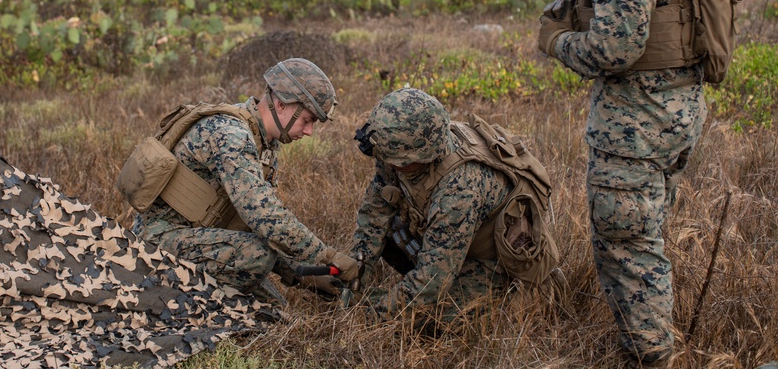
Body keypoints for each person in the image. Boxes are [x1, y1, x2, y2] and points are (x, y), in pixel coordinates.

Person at [541, 0, 708, 366]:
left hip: (634, 127)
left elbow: (615, 50)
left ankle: (650, 358)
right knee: (647, 238)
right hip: (678, 114)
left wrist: (558, 42)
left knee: (628, 251)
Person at [126, 58, 359, 302]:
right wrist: (324, 256)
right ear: (281, 105)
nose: (309, 131)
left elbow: (252, 224)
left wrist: (303, 273)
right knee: (257, 257)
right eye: (307, 120)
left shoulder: (264, 142)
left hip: (197, 236)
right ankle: (178, 299)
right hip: (157, 242)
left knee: (273, 309)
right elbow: (265, 217)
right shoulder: (231, 135)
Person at [347, 87, 563, 330]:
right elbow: (374, 215)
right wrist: (350, 280)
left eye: (391, 158)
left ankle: (514, 297)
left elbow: (431, 284)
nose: (384, 162)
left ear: (417, 157)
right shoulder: (399, 148)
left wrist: (372, 315)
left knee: (432, 322)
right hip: (452, 245)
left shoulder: (460, 189)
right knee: (387, 230)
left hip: (494, 264)